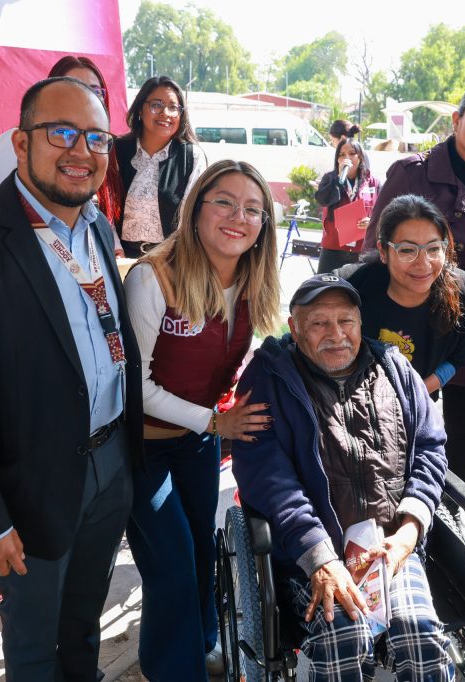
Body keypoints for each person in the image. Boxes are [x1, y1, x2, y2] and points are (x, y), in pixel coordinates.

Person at [0, 76, 142, 679]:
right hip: (30, 484)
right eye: (61, 133)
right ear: (21, 143)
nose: (81, 151)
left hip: (110, 464)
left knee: (84, 624)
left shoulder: (97, 227)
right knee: (35, 643)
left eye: (96, 138)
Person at [231, 274, 454, 681]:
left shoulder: (394, 368)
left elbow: (430, 448)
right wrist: (321, 558)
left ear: (360, 322)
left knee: (419, 634)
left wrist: (408, 532)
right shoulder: (269, 379)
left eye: (345, 321)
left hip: (390, 547)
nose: (336, 335)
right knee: (342, 637)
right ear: (294, 328)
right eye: (319, 323)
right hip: (311, 553)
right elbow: (267, 478)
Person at [123, 159, 280, 681]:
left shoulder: (254, 278)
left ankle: (204, 645)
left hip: (198, 441)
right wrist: (215, 423)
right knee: (171, 562)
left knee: (202, 553)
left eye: (252, 209)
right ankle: (172, 670)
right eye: (225, 203)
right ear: (195, 210)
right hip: (142, 445)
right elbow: (133, 389)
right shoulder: (153, 277)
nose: (239, 217)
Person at [362, 80, 465, 483]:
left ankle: (450, 507)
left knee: (463, 428)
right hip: (411, 319)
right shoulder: (412, 173)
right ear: (457, 119)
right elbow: (374, 251)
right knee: (395, 419)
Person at [337, 194, 465, 399]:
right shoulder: (349, 287)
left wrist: (414, 394)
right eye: (407, 250)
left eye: (433, 248)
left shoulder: (463, 291)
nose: (423, 264)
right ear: (383, 251)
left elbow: (457, 359)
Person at [0, 56, 124, 251]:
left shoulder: (101, 144)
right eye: (74, 86)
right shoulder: (18, 141)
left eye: (95, 91)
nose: (81, 152)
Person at [115, 75, 205, 257]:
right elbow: (106, 207)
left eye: (173, 107)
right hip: (120, 257)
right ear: (140, 109)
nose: (165, 113)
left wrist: (169, 258)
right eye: (156, 105)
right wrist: (115, 249)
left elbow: (191, 216)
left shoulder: (192, 157)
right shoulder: (117, 151)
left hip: (171, 258)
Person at [315, 136, 381, 273]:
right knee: (326, 284)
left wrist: (372, 221)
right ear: (337, 159)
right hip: (333, 248)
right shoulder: (329, 178)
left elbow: (383, 211)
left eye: (352, 153)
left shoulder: (373, 182)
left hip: (362, 249)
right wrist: (338, 179)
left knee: (359, 285)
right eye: (342, 155)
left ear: (360, 157)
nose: (347, 158)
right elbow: (323, 200)